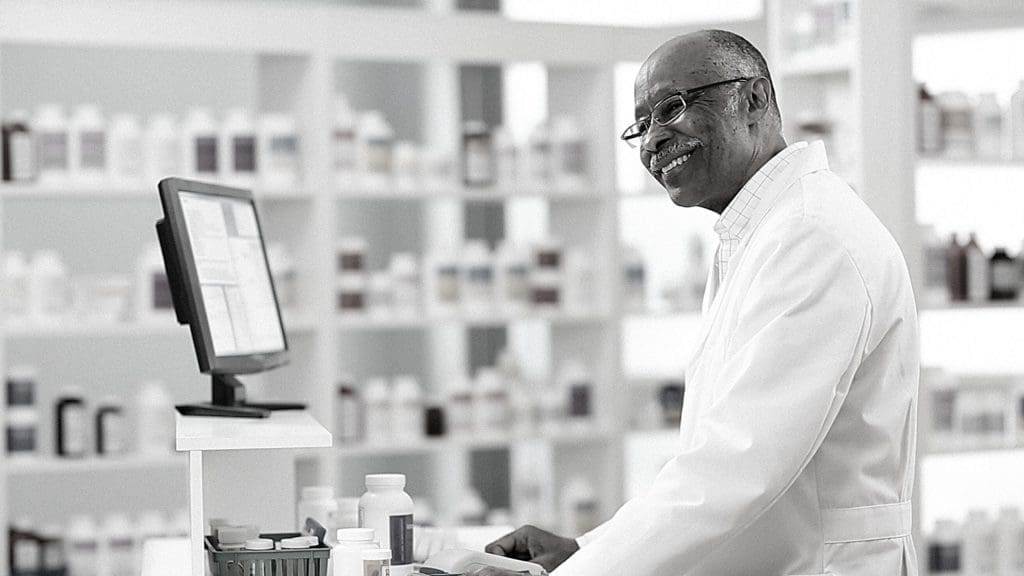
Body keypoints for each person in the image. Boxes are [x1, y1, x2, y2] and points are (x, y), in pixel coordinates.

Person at [474, 29, 920, 576]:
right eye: (642, 126)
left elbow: (737, 466)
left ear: (754, 99)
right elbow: (716, 458)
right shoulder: (762, 231)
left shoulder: (812, 236)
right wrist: (585, 550)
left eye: (673, 108)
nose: (652, 142)